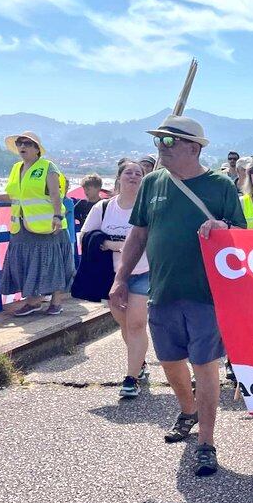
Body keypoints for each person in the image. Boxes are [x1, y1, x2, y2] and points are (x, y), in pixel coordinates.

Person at [110, 115, 246, 477]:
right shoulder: (153, 182)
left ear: (194, 148)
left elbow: (243, 236)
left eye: (169, 142)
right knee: (170, 362)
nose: (161, 148)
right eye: (159, 141)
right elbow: (138, 235)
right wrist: (121, 278)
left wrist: (223, 226)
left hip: (206, 294)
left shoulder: (220, 186)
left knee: (205, 367)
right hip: (163, 290)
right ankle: (188, 410)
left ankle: (206, 440)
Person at [0, 131, 73, 317]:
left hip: (48, 226)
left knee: (52, 262)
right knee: (24, 263)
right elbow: (13, 195)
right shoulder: (16, 168)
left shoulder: (48, 167)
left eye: (27, 143)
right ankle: (33, 301)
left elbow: (56, 194)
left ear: (37, 149)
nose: (22, 146)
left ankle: (55, 302)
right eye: (19, 143)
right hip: (21, 226)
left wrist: (57, 216)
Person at [80, 160, 151, 398]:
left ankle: (130, 378)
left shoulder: (148, 208)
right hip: (112, 277)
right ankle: (139, 363)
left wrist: (129, 248)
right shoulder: (103, 207)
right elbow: (86, 235)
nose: (133, 176)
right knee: (124, 324)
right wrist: (112, 244)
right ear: (119, 178)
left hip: (142, 272)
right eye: (128, 172)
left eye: (138, 173)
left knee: (137, 324)